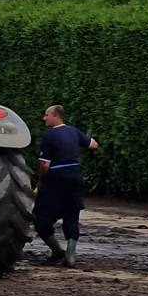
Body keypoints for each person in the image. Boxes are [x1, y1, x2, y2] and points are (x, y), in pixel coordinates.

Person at [35, 104, 100, 268]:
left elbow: (44, 165)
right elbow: (93, 145)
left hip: (56, 179)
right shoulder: (73, 131)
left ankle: (56, 251)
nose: (44, 118)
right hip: (75, 177)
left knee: (40, 218)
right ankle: (70, 257)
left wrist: (40, 180)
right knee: (71, 215)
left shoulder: (49, 136)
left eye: (47, 115)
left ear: (56, 116)